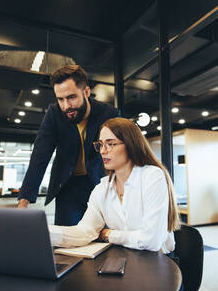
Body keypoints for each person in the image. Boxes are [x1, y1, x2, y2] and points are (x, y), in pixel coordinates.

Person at [49, 117, 180, 253]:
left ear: (130, 144)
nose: (103, 151)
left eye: (110, 144)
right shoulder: (102, 188)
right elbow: (85, 232)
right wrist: (43, 231)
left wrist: (109, 234)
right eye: (100, 144)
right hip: (125, 259)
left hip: (158, 263)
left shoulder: (152, 176)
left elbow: (152, 241)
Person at [17, 65, 119, 225]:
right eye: (60, 99)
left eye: (71, 97)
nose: (66, 106)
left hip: (100, 186)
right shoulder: (54, 114)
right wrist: (23, 205)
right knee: (66, 242)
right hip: (67, 187)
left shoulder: (109, 114)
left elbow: (121, 154)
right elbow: (40, 156)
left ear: (86, 92)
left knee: (102, 238)